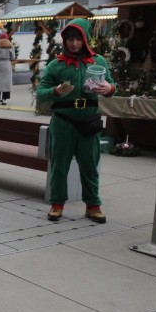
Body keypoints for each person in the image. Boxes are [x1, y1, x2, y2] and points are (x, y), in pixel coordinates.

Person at [37, 17, 115, 224]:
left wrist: (109, 89)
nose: (74, 43)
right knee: (59, 165)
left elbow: (112, 85)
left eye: (78, 39)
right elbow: (41, 93)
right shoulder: (56, 65)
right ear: (65, 41)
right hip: (63, 122)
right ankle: (57, 204)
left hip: (89, 121)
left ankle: (93, 205)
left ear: (85, 39)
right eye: (70, 39)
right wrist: (55, 91)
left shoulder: (99, 62)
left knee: (90, 164)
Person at [0, 33, 15, 105]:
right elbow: (13, 57)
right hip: (7, 64)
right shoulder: (10, 45)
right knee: (6, 82)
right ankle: (4, 100)